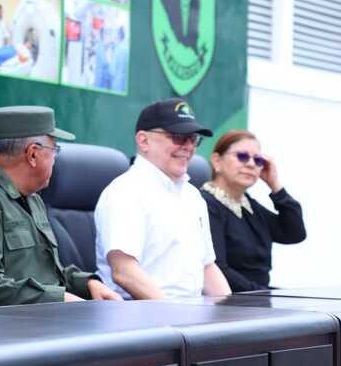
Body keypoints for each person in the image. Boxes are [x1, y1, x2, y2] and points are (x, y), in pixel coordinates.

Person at [0, 106, 121, 307]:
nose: (55, 159)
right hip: (2, 322)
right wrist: (59, 298)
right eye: (54, 150)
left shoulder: (31, 198)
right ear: (33, 154)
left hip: (41, 316)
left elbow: (49, 274)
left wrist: (88, 284)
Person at [94, 98, 231, 299]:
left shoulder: (192, 196)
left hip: (189, 312)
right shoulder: (125, 192)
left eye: (193, 139)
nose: (188, 147)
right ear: (144, 141)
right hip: (139, 312)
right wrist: (172, 313)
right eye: (178, 137)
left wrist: (230, 310)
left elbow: (207, 267)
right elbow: (124, 271)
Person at [201, 130, 305, 291]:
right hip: (230, 299)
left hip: (256, 295)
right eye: (242, 156)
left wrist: (274, 184)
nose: (251, 164)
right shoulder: (205, 204)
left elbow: (294, 233)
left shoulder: (248, 205)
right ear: (217, 161)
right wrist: (262, 294)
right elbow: (217, 267)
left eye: (258, 160)